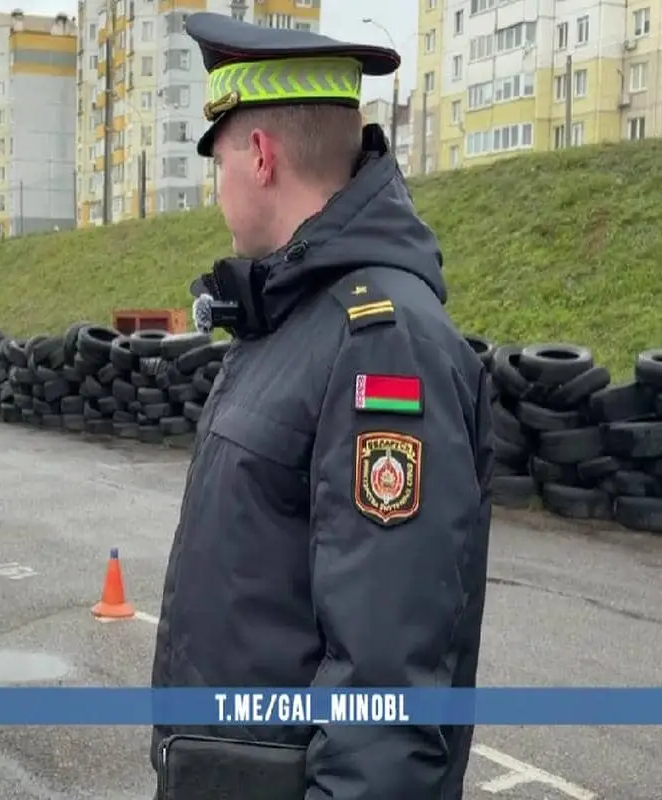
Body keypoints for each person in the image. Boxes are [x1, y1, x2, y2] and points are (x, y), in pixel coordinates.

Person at [150, 13, 494, 800]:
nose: (218, 189)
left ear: (259, 156)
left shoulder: (381, 342)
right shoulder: (292, 320)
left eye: (219, 161)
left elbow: (386, 689)